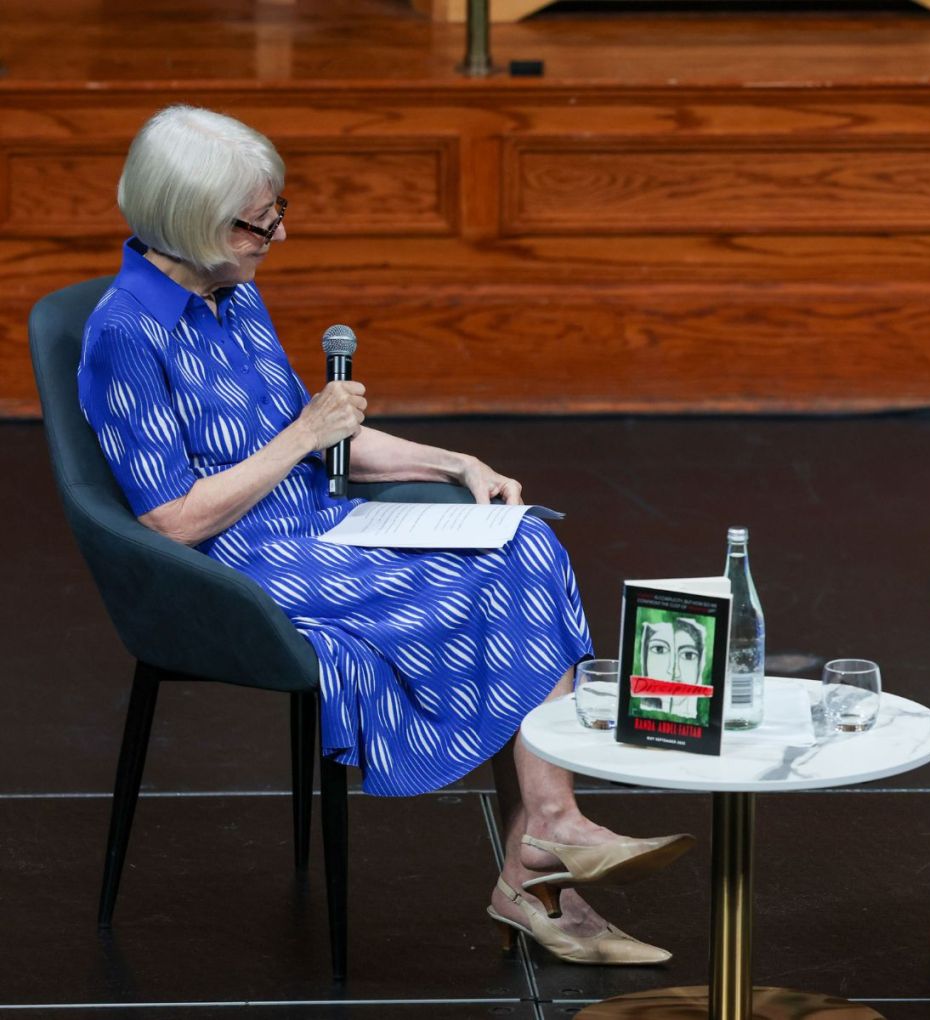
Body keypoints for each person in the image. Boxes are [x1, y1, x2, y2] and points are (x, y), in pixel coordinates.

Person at [77, 105, 693, 967]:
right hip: (238, 563)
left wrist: (456, 463)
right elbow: (171, 520)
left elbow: (323, 435)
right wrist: (303, 434)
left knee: (521, 543)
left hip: (319, 526)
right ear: (187, 222)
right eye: (257, 224)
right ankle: (541, 869)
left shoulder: (231, 291)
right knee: (467, 587)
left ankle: (545, 836)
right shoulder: (123, 333)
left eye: (276, 213)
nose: (278, 236)